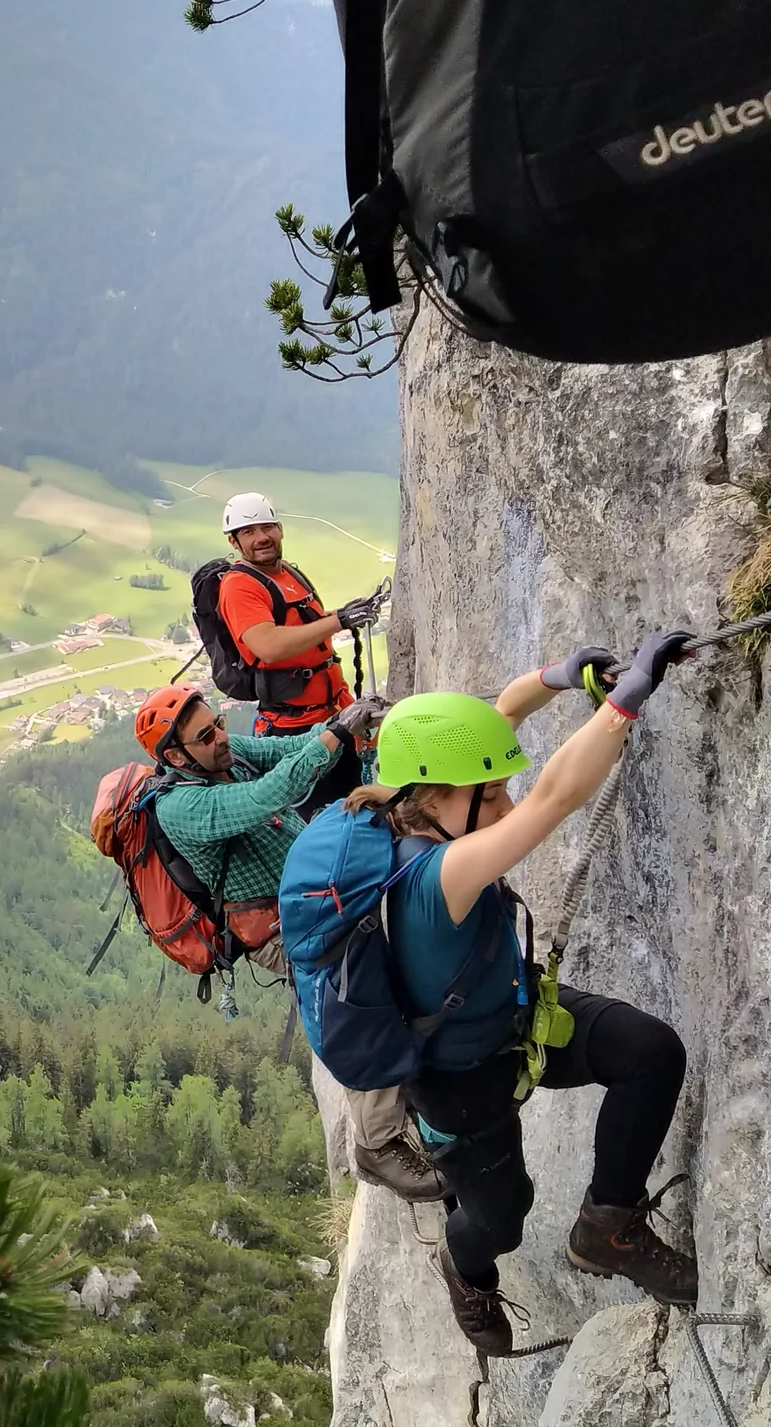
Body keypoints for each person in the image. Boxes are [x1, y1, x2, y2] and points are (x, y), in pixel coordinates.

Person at [348, 636, 697, 1355]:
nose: (506, 802)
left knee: (649, 1051)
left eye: (503, 788)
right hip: (458, 1085)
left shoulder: (418, 803)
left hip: (513, 1020)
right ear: (436, 799)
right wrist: (624, 702)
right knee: (501, 1218)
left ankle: (607, 1226)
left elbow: (502, 710)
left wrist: (564, 676)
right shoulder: (435, 878)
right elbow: (555, 799)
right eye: (493, 792)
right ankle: (466, 1268)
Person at [134, 681, 443, 1200]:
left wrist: (347, 727)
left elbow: (290, 750)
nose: (220, 737)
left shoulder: (225, 755)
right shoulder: (181, 806)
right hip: (280, 929)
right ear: (176, 756)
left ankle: (408, 1078)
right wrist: (337, 732)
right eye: (204, 736)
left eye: (216, 724)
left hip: (312, 893)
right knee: (356, 992)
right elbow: (265, 797)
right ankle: (376, 1141)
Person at [216, 491, 383, 809]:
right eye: (248, 532)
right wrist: (338, 621)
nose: (261, 537)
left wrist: (343, 615)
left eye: (267, 527)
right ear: (234, 542)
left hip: (335, 714)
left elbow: (304, 625)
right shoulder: (239, 586)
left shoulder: (287, 573)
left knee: (357, 804)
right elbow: (268, 646)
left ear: (279, 529)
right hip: (293, 732)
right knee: (320, 816)